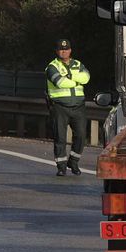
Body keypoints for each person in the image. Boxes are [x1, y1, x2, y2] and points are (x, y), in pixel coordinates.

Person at [45, 38, 90, 176]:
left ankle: (74, 162)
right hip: (60, 107)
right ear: (56, 51)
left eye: (66, 49)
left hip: (78, 106)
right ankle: (61, 166)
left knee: (81, 135)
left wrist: (70, 77)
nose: (63, 52)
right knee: (60, 137)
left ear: (70, 50)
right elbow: (60, 82)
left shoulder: (78, 64)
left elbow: (86, 78)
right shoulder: (52, 66)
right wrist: (76, 80)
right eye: (61, 49)